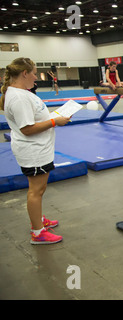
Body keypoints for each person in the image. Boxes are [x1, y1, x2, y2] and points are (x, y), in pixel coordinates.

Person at [1, 57, 71, 244]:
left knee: (40, 189)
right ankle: (37, 232)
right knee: (36, 191)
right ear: (24, 73)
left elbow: (34, 119)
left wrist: (54, 117)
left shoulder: (21, 93)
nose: (36, 77)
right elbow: (27, 128)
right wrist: (55, 121)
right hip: (33, 151)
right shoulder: (18, 97)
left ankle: (38, 219)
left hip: (39, 149)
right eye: (33, 73)